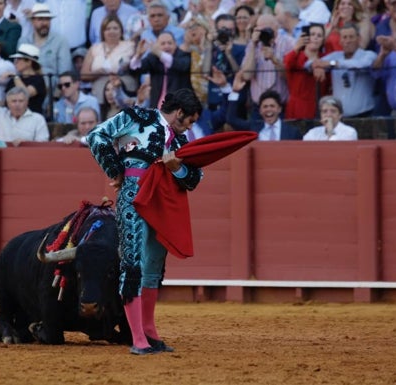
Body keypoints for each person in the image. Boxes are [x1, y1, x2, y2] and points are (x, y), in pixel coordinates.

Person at [88, 88, 203, 355]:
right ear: (179, 113)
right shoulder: (135, 117)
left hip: (162, 202)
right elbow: (96, 136)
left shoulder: (181, 143)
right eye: (190, 121)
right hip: (134, 194)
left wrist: (178, 168)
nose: (190, 127)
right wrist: (115, 171)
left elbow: (194, 180)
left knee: (152, 266)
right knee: (133, 263)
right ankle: (137, 338)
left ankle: (149, 333)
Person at [310, 23, 377, 117]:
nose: (348, 41)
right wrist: (318, 67)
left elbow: (360, 65)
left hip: (364, 115)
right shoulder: (335, 55)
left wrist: (332, 64)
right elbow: (308, 64)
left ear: (359, 39)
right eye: (344, 37)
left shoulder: (368, 55)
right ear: (340, 41)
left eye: (351, 37)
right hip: (339, 118)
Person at [239, 13, 294, 116]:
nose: (264, 32)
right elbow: (247, 76)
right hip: (258, 107)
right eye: (260, 29)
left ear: (276, 27)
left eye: (267, 28)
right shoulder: (253, 45)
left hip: (281, 106)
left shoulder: (289, 43)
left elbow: (290, 76)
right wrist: (253, 46)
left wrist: (274, 59)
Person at [0, 77, 49, 145]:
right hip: (3, 156)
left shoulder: (38, 119)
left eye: (21, 101)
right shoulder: (0, 114)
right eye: (14, 101)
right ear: (8, 103)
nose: (17, 104)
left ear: (27, 102)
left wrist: (26, 143)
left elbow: (43, 143)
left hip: (28, 156)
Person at [227, 71, 302, 140]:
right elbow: (231, 119)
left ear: (279, 109)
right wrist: (235, 91)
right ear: (260, 110)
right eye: (265, 106)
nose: (268, 109)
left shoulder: (293, 132)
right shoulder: (252, 127)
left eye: (272, 106)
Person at [80, 14, 136, 104]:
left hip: (122, 85)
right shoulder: (95, 48)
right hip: (98, 86)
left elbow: (135, 67)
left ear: (121, 31)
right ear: (103, 32)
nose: (112, 31)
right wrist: (98, 73)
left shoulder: (130, 46)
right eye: (108, 29)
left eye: (115, 28)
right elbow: (83, 75)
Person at [17, 3, 72, 92]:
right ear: (32, 21)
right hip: (27, 89)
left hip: (51, 90)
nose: (44, 23)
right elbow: (19, 69)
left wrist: (56, 95)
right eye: (40, 19)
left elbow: (64, 73)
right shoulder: (23, 41)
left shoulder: (60, 41)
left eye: (47, 19)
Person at [130, 31, 192, 109]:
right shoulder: (154, 57)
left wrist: (159, 53)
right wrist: (138, 55)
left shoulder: (184, 55)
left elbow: (177, 64)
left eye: (169, 43)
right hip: (156, 108)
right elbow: (135, 69)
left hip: (179, 108)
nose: (166, 46)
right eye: (163, 44)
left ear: (176, 44)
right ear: (157, 45)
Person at [284, 22, 328, 119]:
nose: (315, 38)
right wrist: (296, 47)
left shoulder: (325, 58)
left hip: (318, 106)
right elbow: (287, 64)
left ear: (323, 40)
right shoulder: (296, 55)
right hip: (297, 107)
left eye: (319, 35)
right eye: (312, 34)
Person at [5, 44, 47, 114]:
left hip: (32, 119)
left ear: (29, 62)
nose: (15, 62)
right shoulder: (13, 80)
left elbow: (25, 94)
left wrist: (15, 77)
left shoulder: (38, 80)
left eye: (19, 59)